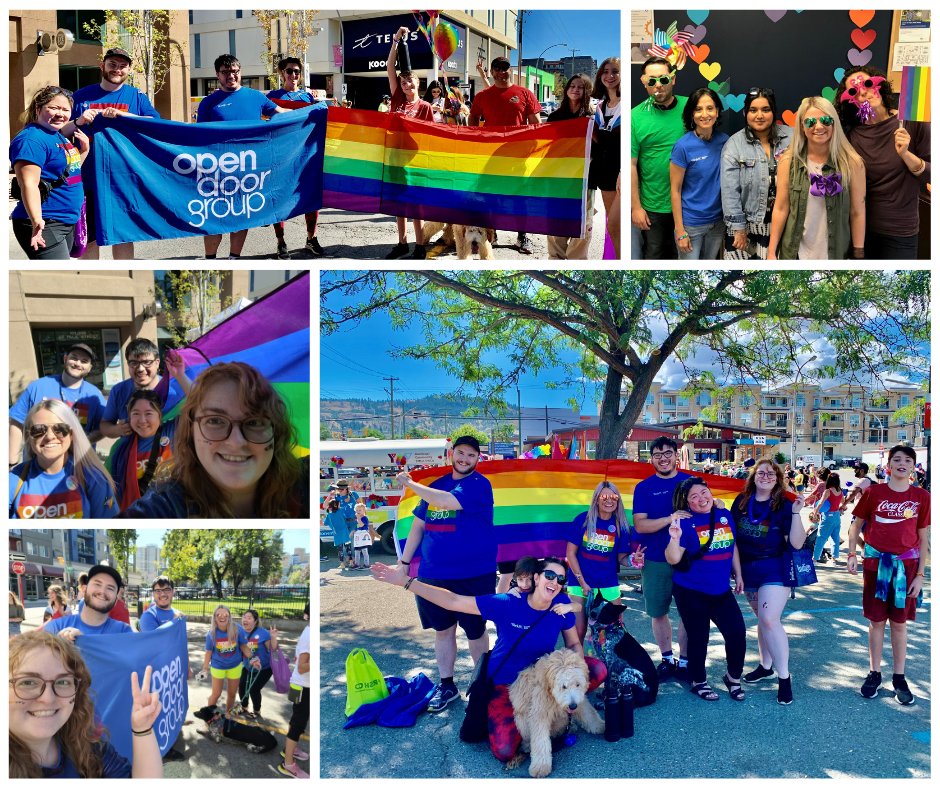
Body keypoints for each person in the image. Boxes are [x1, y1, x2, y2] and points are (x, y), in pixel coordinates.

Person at [371, 557, 604, 765]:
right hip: (504, 684)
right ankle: (536, 716)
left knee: (596, 669)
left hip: (541, 678)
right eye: (549, 575)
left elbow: (573, 644)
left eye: (560, 579)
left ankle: (560, 704)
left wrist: (573, 671)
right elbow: (453, 601)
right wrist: (406, 582)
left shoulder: (560, 606)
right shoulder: (508, 603)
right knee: (505, 751)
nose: (554, 581)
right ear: (536, 577)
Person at [116, 362, 305, 518]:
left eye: (254, 422)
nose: (236, 442)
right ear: (191, 432)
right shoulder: (163, 507)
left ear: (276, 431)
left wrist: (180, 375)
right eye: (215, 421)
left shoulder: (305, 486)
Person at [394, 435, 496, 712]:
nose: (464, 459)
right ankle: (447, 684)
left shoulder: (479, 485)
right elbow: (418, 527)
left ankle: (480, 683)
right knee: (442, 631)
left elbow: (448, 502)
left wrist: (410, 484)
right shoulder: (434, 486)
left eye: (471, 455)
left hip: (474, 574)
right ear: (452, 453)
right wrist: (404, 562)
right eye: (460, 453)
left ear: (478, 459)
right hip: (433, 573)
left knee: (476, 631)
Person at [9, 630, 163, 777]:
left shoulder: (86, 745)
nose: (48, 698)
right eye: (28, 682)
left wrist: (142, 729)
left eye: (63, 681)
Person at [56, 48, 160, 261]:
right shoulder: (81, 96)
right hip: (87, 179)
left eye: (122, 66)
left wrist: (124, 115)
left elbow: (155, 124)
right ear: (102, 66)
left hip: (123, 179)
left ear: (129, 70)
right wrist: (79, 121)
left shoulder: (137, 96)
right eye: (112, 64)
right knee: (88, 237)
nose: (117, 69)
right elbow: (58, 133)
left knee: (122, 235)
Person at [632, 436, 723, 681]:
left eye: (668, 453)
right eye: (658, 454)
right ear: (651, 459)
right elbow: (640, 525)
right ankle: (666, 659)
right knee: (658, 612)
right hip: (656, 560)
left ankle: (684, 661)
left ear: (676, 455)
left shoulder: (691, 482)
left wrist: (718, 503)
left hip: (690, 559)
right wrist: (670, 518)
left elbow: (707, 502)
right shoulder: (644, 487)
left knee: (688, 613)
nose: (663, 458)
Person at [847, 445, 929, 705]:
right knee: (876, 620)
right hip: (876, 567)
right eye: (897, 460)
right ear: (888, 466)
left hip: (907, 569)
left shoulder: (922, 496)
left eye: (907, 460)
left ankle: (899, 676)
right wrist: (851, 553)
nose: (901, 464)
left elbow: (923, 538)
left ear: (913, 467)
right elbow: (856, 525)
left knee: (900, 623)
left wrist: (921, 575)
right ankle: (874, 673)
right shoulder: (873, 492)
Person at [196, 54, 290, 260]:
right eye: (226, 72)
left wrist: (313, 113)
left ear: (240, 72)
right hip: (217, 171)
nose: (231, 76)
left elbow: (281, 112)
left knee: (241, 215)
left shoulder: (255, 97)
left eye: (235, 71)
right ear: (217, 75)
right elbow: (199, 135)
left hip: (247, 171)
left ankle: (233, 259)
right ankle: (210, 260)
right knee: (214, 217)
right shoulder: (208, 103)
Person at [731, 460, 806, 705]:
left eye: (771, 474)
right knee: (762, 620)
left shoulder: (784, 505)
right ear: (753, 477)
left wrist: (796, 513)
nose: (765, 476)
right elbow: (730, 537)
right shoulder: (741, 501)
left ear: (778, 479)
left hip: (775, 567)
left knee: (768, 619)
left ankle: (784, 678)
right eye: (760, 472)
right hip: (747, 569)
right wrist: (736, 571)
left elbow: (796, 543)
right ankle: (765, 666)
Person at [836, 66, 930, 259]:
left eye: (867, 84)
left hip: (900, 233)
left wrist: (906, 155)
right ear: (851, 100)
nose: (863, 91)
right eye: (854, 91)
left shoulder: (911, 121)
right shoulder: (852, 135)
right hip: (860, 232)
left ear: (879, 83)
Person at [665, 477, 746, 702]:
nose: (701, 499)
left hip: (721, 590)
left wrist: (738, 574)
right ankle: (698, 680)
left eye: (704, 493)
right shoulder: (684, 522)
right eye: (694, 497)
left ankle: (732, 677)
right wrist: (674, 538)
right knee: (699, 638)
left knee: (737, 633)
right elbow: (673, 559)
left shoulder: (723, 513)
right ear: (687, 503)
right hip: (691, 590)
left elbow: (732, 545)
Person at [767, 96, 866, 260]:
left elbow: (857, 212)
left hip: (836, 254)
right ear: (802, 126)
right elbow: (781, 208)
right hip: (794, 253)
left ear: (834, 123)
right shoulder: (787, 162)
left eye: (826, 120)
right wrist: (771, 253)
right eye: (810, 122)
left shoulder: (853, 164)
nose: (818, 126)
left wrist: (858, 254)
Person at [469, 55, 541, 256]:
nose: (502, 71)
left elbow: (536, 123)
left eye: (505, 68)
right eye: (497, 68)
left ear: (511, 70)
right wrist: (474, 137)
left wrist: (534, 145)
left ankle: (522, 236)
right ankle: (494, 234)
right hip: (491, 156)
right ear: (491, 72)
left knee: (520, 197)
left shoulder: (525, 93)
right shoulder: (482, 95)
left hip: (518, 156)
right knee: (492, 196)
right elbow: (473, 116)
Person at [10, 85, 89, 259]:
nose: (60, 114)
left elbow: (68, 174)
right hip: (45, 223)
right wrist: (37, 220)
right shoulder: (31, 140)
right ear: (38, 108)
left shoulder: (55, 134)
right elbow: (28, 184)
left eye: (65, 109)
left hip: (66, 220)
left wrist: (83, 152)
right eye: (53, 108)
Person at [10, 400, 118, 519]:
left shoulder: (94, 478)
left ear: (71, 434)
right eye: (38, 430)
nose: (50, 437)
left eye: (60, 429)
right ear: (29, 436)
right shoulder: (12, 481)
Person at [721, 88, 794, 260]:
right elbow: (730, 192)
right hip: (747, 229)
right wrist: (738, 229)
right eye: (753, 110)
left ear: (773, 111)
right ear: (746, 112)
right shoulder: (734, 145)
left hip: (787, 224)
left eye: (765, 110)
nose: (759, 115)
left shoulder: (793, 137)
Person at [10, 343, 107, 468]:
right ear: (65, 359)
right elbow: (17, 423)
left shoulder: (95, 395)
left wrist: (77, 442)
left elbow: (102, 429)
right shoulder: (38, 387)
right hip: (36, 465)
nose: (78, 363)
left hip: (78, 465)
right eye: (74, 358)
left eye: (84, 361)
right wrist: (11, 463)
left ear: (89, 367)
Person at [384, 27, 435, 260]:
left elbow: (431, 135)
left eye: (410, 82)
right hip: (396, 159)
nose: (406, 85)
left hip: (415, 161)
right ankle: (401, 243)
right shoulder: (396, 99)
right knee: (399, 203)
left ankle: (420, 245)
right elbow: (389, 66)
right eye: (403, 82)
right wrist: (395, 40)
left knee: (415, 205)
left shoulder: (424, 107)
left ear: (418, 83)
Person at [266, 56, 324, 259]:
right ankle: (281, 242)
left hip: (305, 155)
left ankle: (311, 238)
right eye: (289, 71)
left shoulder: (308, 97)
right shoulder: (272, 96)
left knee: (312, 196)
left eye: (297, 71)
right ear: (282, 72)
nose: (293, 75)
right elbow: (265, 125)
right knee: (279, 198)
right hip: (281, 156)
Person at [631, 57, 688, 259]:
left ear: (672, 79)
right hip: (654, 205)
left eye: (663, 80)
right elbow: (631, 165)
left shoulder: (692, 109)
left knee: (686, 259)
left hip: (690, 202)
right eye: (652, 80)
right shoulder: (635, 117)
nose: (658, 86)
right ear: (644, 81)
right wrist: (636, 207)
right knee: (654, 255)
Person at [566, 480, 635, 643]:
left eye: (614, 497)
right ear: (596, 499)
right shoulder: (583, 519)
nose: (609, 500)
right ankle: (576, 667)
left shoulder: (621, 525)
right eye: (604, 496)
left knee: (615, 631)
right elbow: (570, 554)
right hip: (579, 582)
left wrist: (633, 560)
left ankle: (610, 668)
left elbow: (622, 559)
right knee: (578, 632)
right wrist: (582, 583)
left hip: (608, 583)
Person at [669, 86, 730, 260]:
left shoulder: (725, 141)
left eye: (710, 108)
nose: (705, 114)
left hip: (718, 222)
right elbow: (675, 190)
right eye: (698, 109)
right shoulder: (682, 146)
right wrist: (680, 231)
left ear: (717, 112)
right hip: (691, 224)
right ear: (691, 114)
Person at [137, 576, 191, 763]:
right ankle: (163, 748)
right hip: (158, 674)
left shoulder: (179, 614)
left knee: (173, 702)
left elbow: (181, 644)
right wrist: (173, 623)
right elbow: (155, 644)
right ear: (153, 594)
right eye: (158, 591)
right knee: (158, 711)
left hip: (175, 670)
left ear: (173, 592)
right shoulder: (149, 616)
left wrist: (187, 666)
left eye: (166, 590)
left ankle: (175, 727)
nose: (162, 594)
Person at [546, 74, 597, 260]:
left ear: (587, 91)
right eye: (572, 86)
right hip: (558, 180)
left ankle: (577, 261)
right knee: (556, 224)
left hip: (585, 180)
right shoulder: (554, 116)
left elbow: (600, 148)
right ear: (566, 90)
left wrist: (592, 131)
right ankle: (556, 261)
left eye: (581, 87)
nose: (575, 90)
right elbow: (547, 148)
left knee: (582, 224)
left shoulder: (593, 116)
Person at [99, 341, 192, 440]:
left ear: (157, 363)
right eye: (134, 363)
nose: (140, 368)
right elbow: (104, 425)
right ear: (128, 365)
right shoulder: (118, 390)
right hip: (132, 452)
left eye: (147, 362)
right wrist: (118, 430)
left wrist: (181, 376)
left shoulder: (177, 389)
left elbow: (200, 406)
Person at [109, 389, 178, 510]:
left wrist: (180, 375)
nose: (142, 420)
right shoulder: (120, 448)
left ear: (160, 415)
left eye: (149, 413)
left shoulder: (173, 431)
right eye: (136, 414)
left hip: (173, 510)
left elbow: (199, 406)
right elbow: (114, 489)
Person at [197, 605, 258, 718]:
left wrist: (253, 658)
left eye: (225, 614)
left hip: (235, 666)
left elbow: (244, 646)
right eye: (218, 615)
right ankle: (209, 720)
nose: (222, 617)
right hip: (218, 666)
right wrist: (204, 669)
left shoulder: (237, 629)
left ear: (229, 616)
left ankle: (227, 718)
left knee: (231, 694)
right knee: (216, 694)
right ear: (215, 618)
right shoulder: (211, 633)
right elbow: (209, 652)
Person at [43, 566, 133, 639]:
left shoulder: (123, 631)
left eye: (110, 588)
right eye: (97, 584)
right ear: (84, 590)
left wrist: (84, 644)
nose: (103, 591)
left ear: (116, 599)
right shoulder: (55, 628)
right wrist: (59, 648)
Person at [592, 56, 621, 252]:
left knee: (617, 226)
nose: (610, 76)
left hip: (623, 172)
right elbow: (597, 140)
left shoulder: (629, 103)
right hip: (605, 173)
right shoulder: (600, 107)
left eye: (615, 71)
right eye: (605, 72)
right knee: (613, 227)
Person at [278, 603, 310, 778]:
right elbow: (303, 667)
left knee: (296, 720)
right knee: (298, 723)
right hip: (302, 686)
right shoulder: (311, 634)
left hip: (299, 684)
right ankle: (288, 765)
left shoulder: (309, 630)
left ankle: (290, 749)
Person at [237, 610, 279, 719]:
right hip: (248, 666)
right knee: (242, 686)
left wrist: (273, 637)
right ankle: (244, 707)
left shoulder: (263, 633)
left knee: (254, 689)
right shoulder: (240, 633)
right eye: (244, 617)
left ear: (255, 621)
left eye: (249, 618)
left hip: (264, 668)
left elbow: (273, 649)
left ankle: (257, 711)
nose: (245, 619)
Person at [813, 472, 844, 564]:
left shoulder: (828, 491)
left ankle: (815, 559)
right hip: (837, 515)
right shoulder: (840, 491)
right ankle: (833, 559)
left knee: (821, 537)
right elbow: (843, 502)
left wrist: (815, 512)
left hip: (828, 515)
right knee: (835, 537)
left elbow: (821, 502)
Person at [325, 499, 355, 568]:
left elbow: (325, 523)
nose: (340, 506)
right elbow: (345, 517)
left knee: (340, 549)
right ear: (336, 505)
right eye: (339, 504)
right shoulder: (340, 511)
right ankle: (350, 562)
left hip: (337, 534)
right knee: (348, 548)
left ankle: (342, 564)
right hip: (345, 532)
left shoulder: (329, 515)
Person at [352, 500, 378, 569]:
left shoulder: (364, 518)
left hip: (363, 535)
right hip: (358, 535)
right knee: (357, 551)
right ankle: (357, 563)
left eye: (360, 510)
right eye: (357, 510)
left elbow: (361, 525)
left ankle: (366, 564)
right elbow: (357, 527)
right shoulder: (357, 519)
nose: (358, 511)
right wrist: (353, 531)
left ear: (363, 511)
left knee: (364, 550)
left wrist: (358, 518)